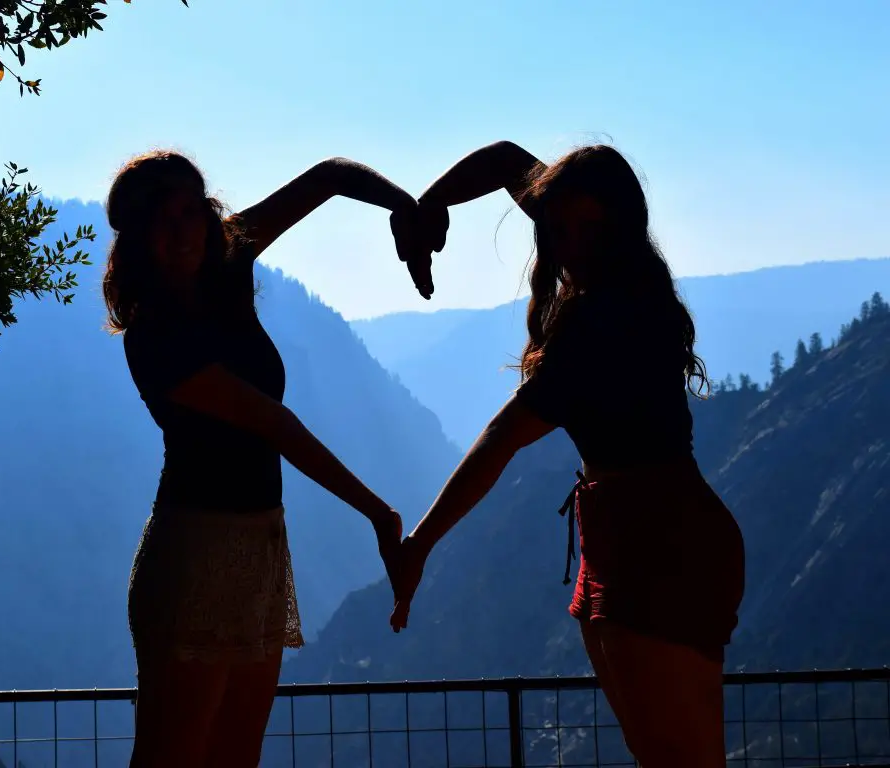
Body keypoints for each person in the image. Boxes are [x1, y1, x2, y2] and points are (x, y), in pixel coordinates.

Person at [388, 141, 746, 768]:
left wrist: (420, 543)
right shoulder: (626, 283)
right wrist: (429, 207)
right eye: (558, 229)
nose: (572, 245)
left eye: (590, 229)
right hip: (638, 535)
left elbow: (501, 438)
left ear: (620, 227)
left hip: (657, 547)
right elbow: (505, 162)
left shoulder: (599, 322)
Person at [102, 149, 428, 767]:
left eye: (188, 213)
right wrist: (378, 513)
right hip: (195, 555)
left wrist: (404, 208)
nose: (180, 232)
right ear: (138, 239)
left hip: (264, 547)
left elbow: (329, 176)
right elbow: (273, 424)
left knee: (238, 757)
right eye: (161, 222)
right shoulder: (154, 337)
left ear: (206, 215)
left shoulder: (227, 260)